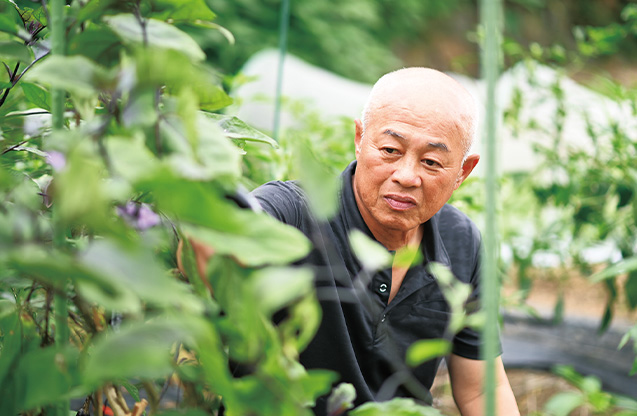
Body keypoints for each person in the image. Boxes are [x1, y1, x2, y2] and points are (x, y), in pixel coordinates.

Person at [186, 67, 520, 415]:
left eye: (431, 161)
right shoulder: (294, 212)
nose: (406, 176)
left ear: (462, 172)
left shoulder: (461, 241)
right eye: (390, 149)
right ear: (360, 139)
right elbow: (220, 237)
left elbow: (483, 391)